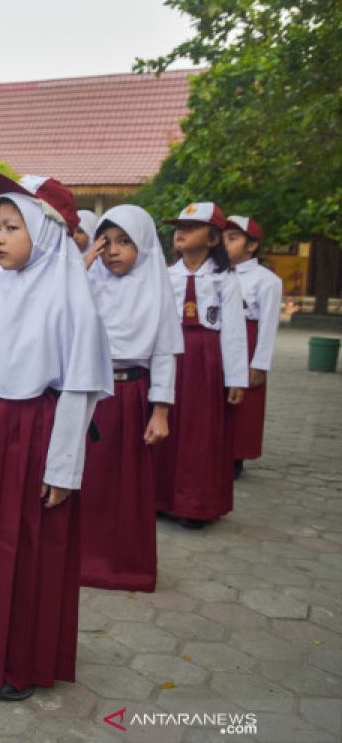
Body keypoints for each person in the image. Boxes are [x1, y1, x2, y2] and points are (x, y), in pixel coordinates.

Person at [0, 169, 112, 701]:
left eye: (11, 227)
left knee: (22, 543)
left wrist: (63, 469)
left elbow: (79, 388)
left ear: (46, 232)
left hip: (35, 431)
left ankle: (14, 659)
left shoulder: (71, 300)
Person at [79, 205, 182, 591]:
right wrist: (85, 263)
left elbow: (165, 353)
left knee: (125, 485)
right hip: (90, 392)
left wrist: (160, 412)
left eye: (125, 242)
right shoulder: (89, 281)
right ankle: (80, 558)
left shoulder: (156, 288)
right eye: (107, 243)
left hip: (131, 394)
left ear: (144, 244)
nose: (114, 252)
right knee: (85, 479)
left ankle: (124, 565)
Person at [155, 202, 248, 528]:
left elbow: (235, 330)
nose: (181, 232)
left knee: (199, 432)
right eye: (179, 226)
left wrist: (236, 377)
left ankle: (193, 504)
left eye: (191, 227)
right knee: (166, 424)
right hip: (171, 354)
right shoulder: (166, 275)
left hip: (206, 360)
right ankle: (161, 497)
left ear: (212, 238)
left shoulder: (224, 278)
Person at [223, 215, 281, 475]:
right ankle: (218, 449)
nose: (225, 244)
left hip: (249, 337)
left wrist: (259, 364)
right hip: (223, 339)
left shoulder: (266, 280)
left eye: (233, 238)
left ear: (252, 245)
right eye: (222, 238)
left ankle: (236, 456)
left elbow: (268, 326)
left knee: (243, 405)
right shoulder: (219, 273)